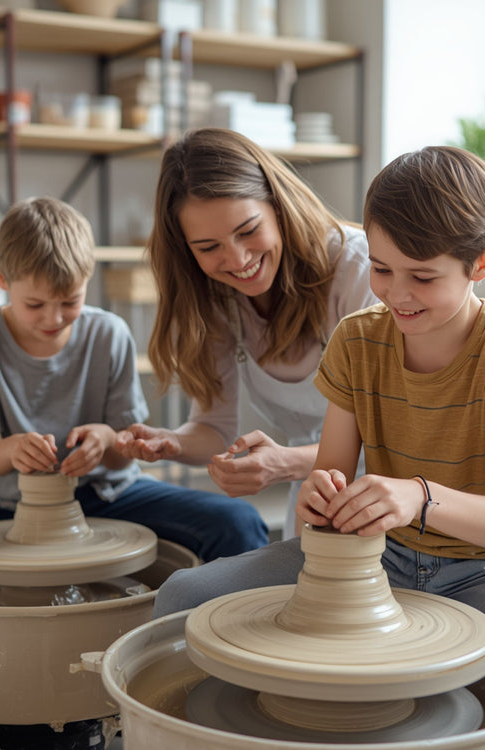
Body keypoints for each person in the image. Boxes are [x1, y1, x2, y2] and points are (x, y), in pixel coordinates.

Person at [152, 146, 485, 748]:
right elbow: (329, 478)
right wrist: (322, 500)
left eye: (422, 276)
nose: (397, 294)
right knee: (181, 597)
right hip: (378, 557)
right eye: (381, 269)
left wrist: (418, 497)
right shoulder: (356, 340)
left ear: (482, 263)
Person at [0, 197, 267, 562]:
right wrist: (15, 449)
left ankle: (225, 631)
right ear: (2, 279)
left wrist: (106, 439)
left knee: (237, 523)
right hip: (0, 501)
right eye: (35, 305)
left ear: (87, 279)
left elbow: (120, 453)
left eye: (70, 301)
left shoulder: (108, 334)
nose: (54, 318)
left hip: (104, 493)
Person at [116, 128, 377, 536]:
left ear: (278, 206)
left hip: (394, 493)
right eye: (208, 247)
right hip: (315, 495)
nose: (237, 260)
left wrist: (285, 462)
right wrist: (174, 442)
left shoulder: (358, 270)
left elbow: (394, 433)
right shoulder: (217, 298)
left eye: (248, 230)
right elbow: (215, 429)